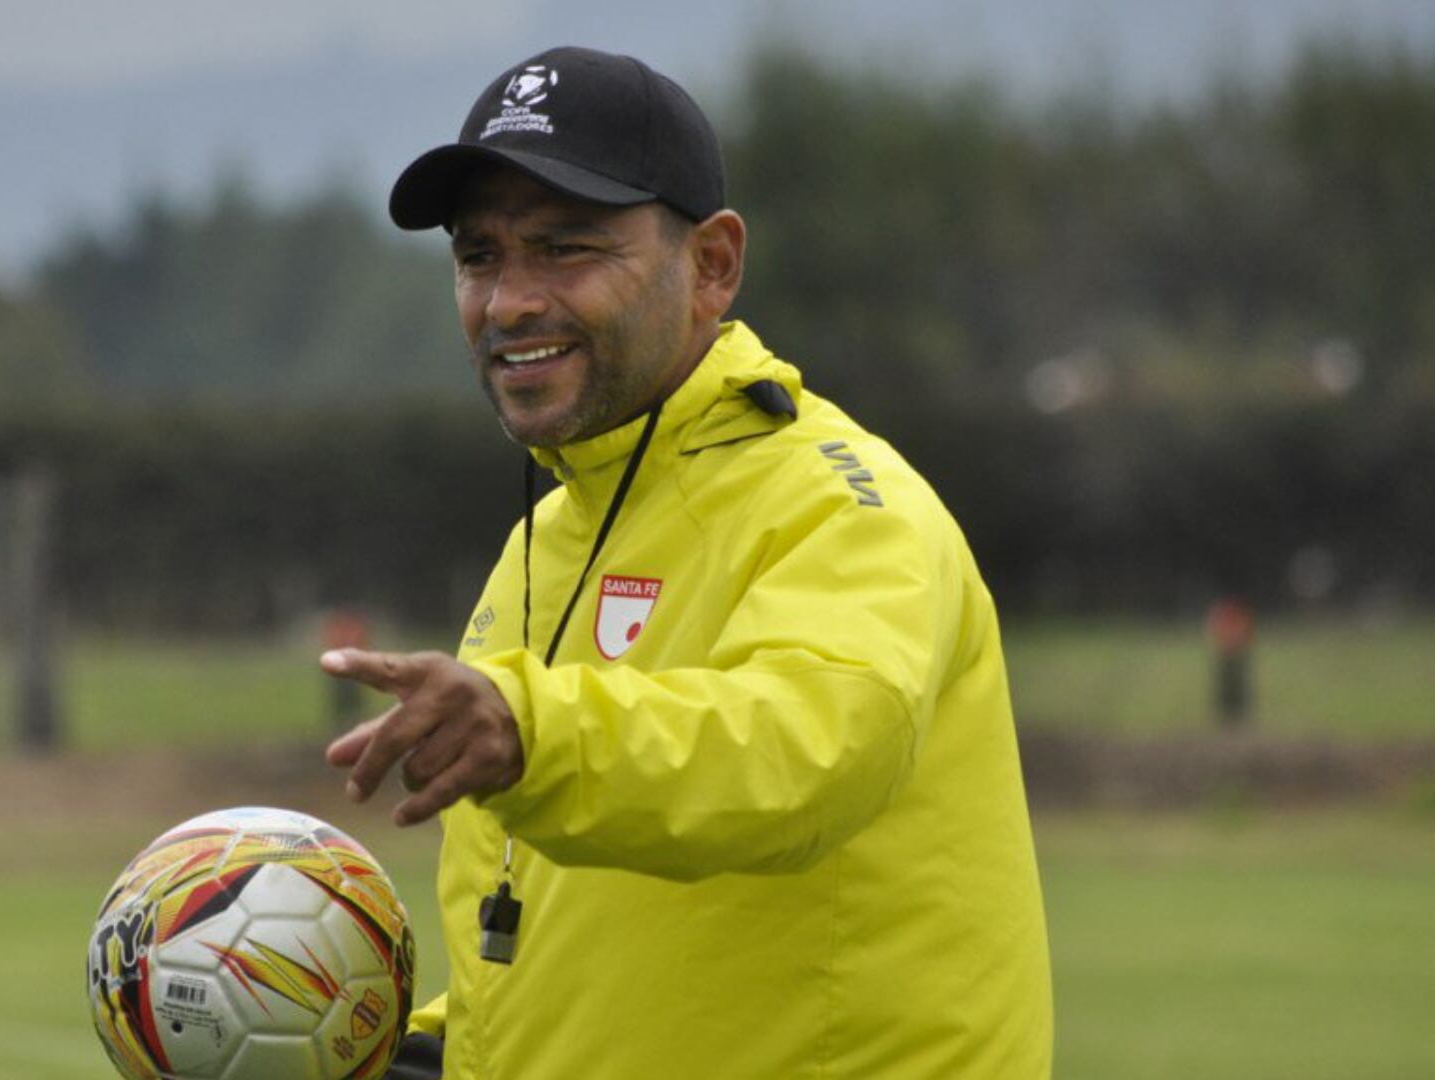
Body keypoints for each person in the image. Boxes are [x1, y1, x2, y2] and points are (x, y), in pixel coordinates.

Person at [322, 45, 1053, 1079]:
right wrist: (428, 1054)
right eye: (480, 256)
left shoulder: (844, 507)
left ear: (712, 265)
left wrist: (533, 733)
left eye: (566, 248)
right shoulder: (549, 536)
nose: (511, 301)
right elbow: (566, 941)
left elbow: (802, 757)